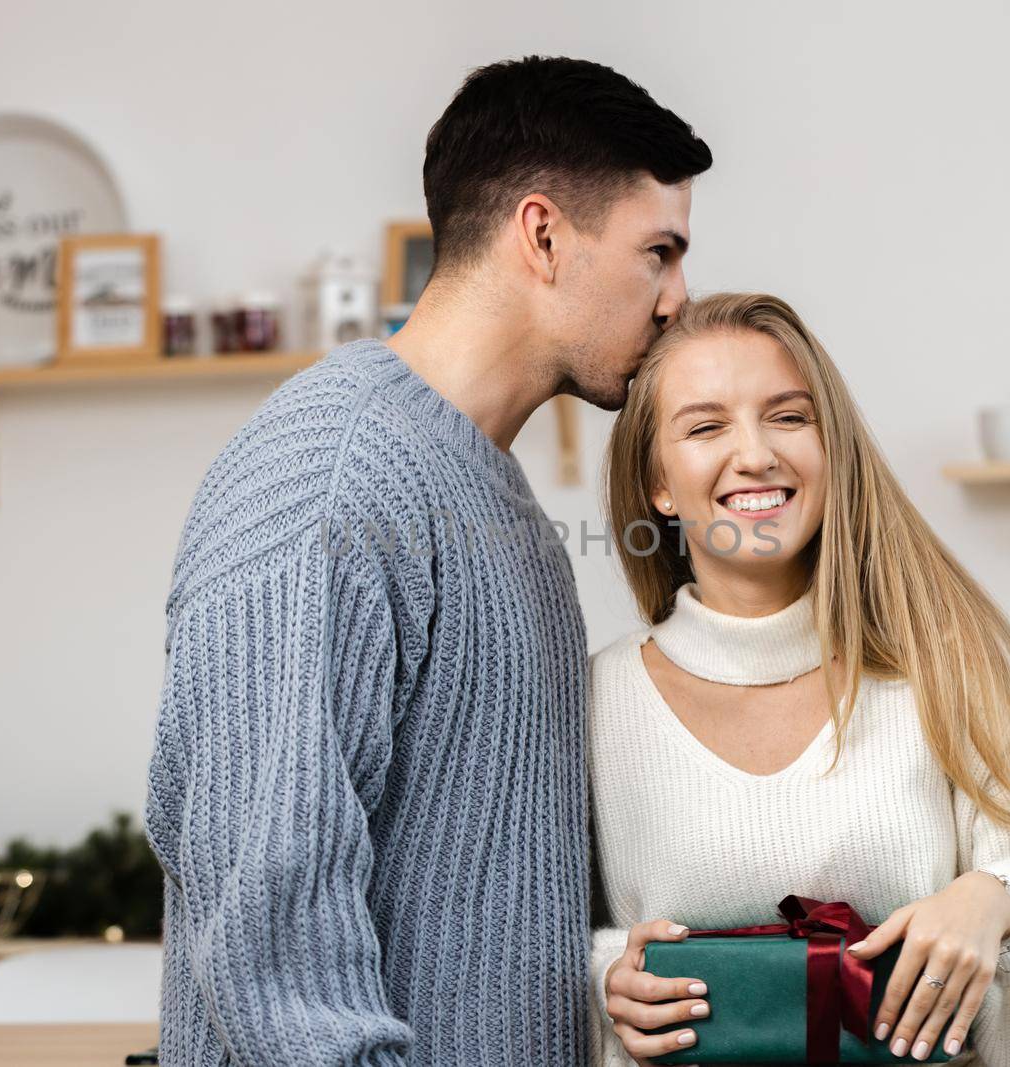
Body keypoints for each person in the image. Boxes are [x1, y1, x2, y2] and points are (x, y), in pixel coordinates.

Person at [144, 56, 710, 1066]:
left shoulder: (504, 508)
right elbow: (274, 952)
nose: (678, 297)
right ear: (541, 234)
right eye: (657, 252)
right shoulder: (330, 479)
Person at [590, 293, 1010, 1066]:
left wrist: (1000, 903)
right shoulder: (596, 701)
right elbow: (523, 955)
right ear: (657, 484)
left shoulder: (945, 668)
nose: (755, 453)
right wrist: (606, 975)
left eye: (788, 416)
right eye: (706, 426)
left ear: (831, 445)